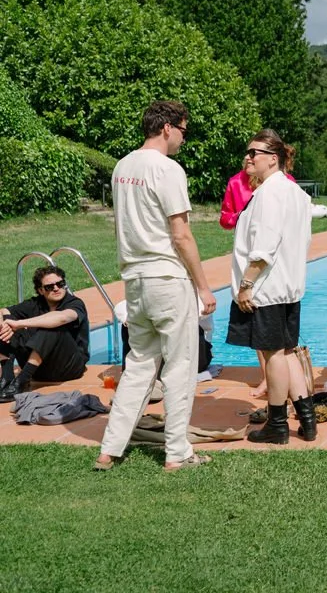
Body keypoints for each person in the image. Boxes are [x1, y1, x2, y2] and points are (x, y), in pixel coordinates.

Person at [96, 101, 217, 472]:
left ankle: (108, 450)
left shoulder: (122, 166)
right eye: (183, 129)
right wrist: (204, 288)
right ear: (167, 127)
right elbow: (181, 235)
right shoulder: (167, 169)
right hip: (167, 277)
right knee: (179, 367)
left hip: (134, 279)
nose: (184, 137)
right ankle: (177, 454)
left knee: (138, 365)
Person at [226, 129, 315, 444]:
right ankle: (307, 416)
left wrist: (246, 284)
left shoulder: (269, 194)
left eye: (255, 153)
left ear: (272, 159)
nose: (248, 158)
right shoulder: (296, 193)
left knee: (273, 354)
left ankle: (277, 424)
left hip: (267, 287)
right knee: (288, 352)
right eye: (248, 152)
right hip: (288, 286)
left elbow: (264, 245)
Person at [0, 266, 89, 401]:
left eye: (60, 284)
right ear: (40, 290)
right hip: (39, 370)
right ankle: (7, 377)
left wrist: (19, 324)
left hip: (68, 368)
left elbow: (62, 318)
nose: (56, 288)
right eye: (49, 287)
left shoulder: (74, 303)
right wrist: (8, 322)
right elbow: (4, 310)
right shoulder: (36, 303)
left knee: (53, 326)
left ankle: (21, 381)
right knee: (4, 325)